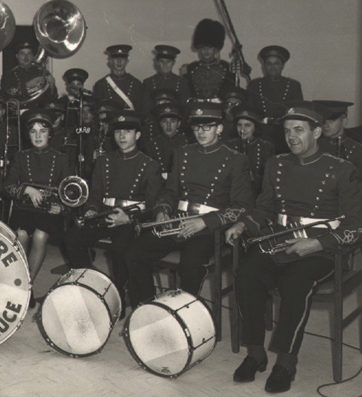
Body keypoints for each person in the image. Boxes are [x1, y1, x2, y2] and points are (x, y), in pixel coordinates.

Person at [225, 102, 362, 393]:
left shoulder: (342, 169)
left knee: (296, 282)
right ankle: (256, 354)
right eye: (287, 131)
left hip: (323, 250)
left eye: (299, 130)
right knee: (247, 273)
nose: (292, 137)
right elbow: (264, 209)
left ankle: (286, 362)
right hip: (280, 241)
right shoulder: (276, 163)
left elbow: (356, 228)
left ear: (317, 132)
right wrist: (244, 224)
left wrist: (316, 243)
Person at [125, 102, 253, 308]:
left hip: (209, 229)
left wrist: (204, 221)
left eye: (207, 127)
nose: (200, 132)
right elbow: (170, 192)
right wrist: (162, 211)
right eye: (196, 127)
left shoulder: (236, 159)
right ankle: (147, 308)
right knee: (135, 253)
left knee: (190, 265)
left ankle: (185, 315)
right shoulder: (182, 153)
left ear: (220, 128)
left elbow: (242, 206)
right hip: (177, 221)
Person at [63, 110, 164, 311]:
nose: (122, 136)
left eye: (128, 132)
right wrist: (92, 209)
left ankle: (117, 295)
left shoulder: (150, 165)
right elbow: (95, 194)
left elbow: (153, 205)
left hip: (129, 219)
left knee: (121, 247)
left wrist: (129, 218)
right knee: (72, 237)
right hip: (105, 213)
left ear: (137, 135)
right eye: (118, 132)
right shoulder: (104, 161)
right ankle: (89, 284)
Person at [3, 109, 72, 307]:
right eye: (33, 131)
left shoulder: (61, 158)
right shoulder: (20, 156)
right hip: (24, 209)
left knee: (41, 235)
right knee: (22, 235)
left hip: (48, 211)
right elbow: (7, 187)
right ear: (28, 135)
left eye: (42, 131)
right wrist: (26, 188)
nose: (38, 135)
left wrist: (62, 208)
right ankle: (24, 285)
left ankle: (26, 285)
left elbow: (71, 193)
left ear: (50, 133)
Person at [225, 106, 275, 195]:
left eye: (247, 125)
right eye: (239, 125)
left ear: (255, 127)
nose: (242, 130)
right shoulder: (228, 146)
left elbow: (268, 179)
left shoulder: (266, 147)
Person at [182, 19, 235, 101]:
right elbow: (187, 95)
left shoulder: (226, 67)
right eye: (203, 47)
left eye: (210, 47)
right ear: (199, 49)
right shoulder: (191, 68)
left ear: (216, 48)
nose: (206, 51)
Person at [247, 46, 302, 122]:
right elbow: (249, 110)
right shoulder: (254, 84)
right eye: (269, 63)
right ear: (264, 66)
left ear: (282, 66)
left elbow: (297, 112)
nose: (272, 67)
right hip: (260, 127)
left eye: (276, 63)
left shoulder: (293, 85)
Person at [0, 40, 56, 106]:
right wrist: (28, 85)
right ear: (17, 56)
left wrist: (52, 85)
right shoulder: (9, 75)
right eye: (22, 54)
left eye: (29, 54)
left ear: (32, 56)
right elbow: (8, 95)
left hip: (39, 111)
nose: (26, 57)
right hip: (19, 111)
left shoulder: (41, 72)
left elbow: (52, 98)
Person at [143, 102, 190, 180]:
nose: (168, 125)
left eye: (173, 121)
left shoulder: (188, 143)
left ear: (179, 124)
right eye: (164, 121)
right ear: (160, 124)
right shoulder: (151, 146)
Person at [93, 45, 143, 115]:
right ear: (110, 61)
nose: (119, 61)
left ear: (127, 61)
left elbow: (140, 111)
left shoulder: (136, 84)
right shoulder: (101, 85)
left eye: (122, 58)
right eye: (116, 58)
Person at [141, 45, 192, 114]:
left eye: (168, 62)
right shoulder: (148, 83)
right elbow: (146, 110)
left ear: (173, 63)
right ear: (157, 62)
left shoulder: (182, 83)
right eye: (162, 61)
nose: (165, 65)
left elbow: (185, 110)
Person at [314, 100, 362, 173]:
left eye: (332, 120)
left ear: (344, 121)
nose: (326, 125)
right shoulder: (314, 145)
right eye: (323, 120)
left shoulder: (357, 149)